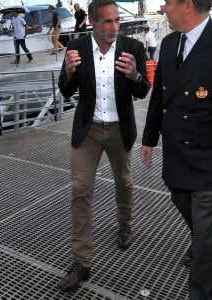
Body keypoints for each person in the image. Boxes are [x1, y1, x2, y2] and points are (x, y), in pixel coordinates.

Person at [58, 0, 150, 292]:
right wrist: (69, 74)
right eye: (107, 22)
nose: (113, 28)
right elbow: (66, 90)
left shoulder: (132, 49)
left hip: (119, 128)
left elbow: (143, 89)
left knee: (124, 180)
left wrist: (134, 75)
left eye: (116, 21)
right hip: (89, 129)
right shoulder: (77, 48)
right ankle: (81, 262)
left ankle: (125, 223)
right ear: (94, 24)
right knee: (80, 189)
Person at [140, 0, 212, 299]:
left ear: (187, 5)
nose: (163, 7)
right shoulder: (171, 42)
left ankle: (202, 291)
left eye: (168, 2)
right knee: (189, 211)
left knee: (206, 241)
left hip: (210, 158)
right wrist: (149, 138)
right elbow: (160, 95)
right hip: (176, 157)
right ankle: (207, 247)